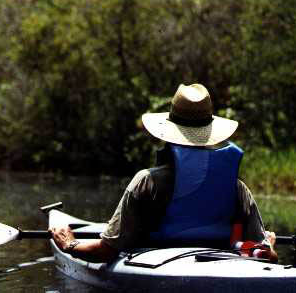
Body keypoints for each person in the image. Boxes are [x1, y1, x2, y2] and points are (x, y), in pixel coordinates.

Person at [49, 83, 278, 263]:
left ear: (168, 133)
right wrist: (269, 243)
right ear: (209, 133)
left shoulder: (146, 182)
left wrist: (69, 244)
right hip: (219, 265)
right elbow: (268, 256)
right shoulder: (236, 188)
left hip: (156, 265)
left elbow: (106, 252)